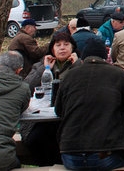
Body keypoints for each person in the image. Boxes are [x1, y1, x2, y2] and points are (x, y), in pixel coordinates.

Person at [55, 39, 124, 170]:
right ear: (106, 57)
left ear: (83, 58)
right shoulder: (119, 75)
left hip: (69, 156)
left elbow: (59, 110)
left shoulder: (69, 75)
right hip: (104, 156)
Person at [21, 31, 82, 166]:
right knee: (34, 139)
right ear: (52, 49)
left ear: (72, 48)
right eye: (58, 45)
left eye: (66, 44)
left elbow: (85, 85)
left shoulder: (80, 65)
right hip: (44, 117)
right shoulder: (40, 66)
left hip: (71, 116)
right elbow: (27, 87)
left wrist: (77, 65)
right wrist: (45, 68)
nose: (62, 48)